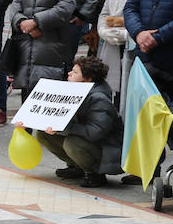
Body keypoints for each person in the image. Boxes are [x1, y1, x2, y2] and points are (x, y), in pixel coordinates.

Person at [17, 55, 122, 188]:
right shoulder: (74, 91)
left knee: (72, 143)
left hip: (106, 149)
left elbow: (95, 132)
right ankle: (76, 167)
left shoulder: (99, 99)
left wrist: (65, 128)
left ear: (88, 79)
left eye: (75, 72)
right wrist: (27, 120)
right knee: (44, 134)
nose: (69, 73)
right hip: (89, 140)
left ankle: (94, 173)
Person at [11, 0, 80, 98]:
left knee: (47, 91)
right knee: (26, 89)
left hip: (52, 44)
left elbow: (63, 10)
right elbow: (15, 6)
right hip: (25, 42)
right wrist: (23, 23)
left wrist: (35, 21)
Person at [97, 0, 149, 99]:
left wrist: (126, 32)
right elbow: (104, 13)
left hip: (133, 40)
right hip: (111, 42)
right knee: (114, 87)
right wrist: (103, 31)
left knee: (130, 87)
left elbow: (145, 16)